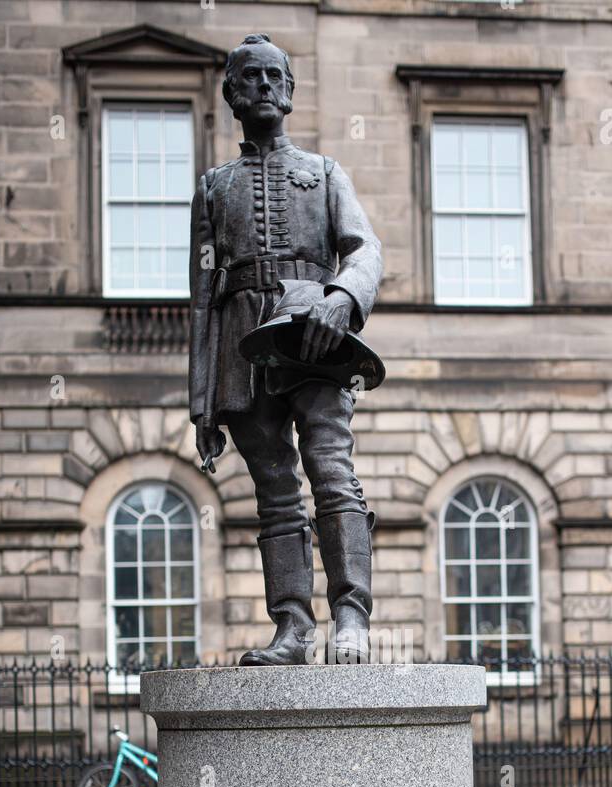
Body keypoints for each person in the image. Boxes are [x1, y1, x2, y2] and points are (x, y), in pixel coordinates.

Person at [189, 33, 383, 664]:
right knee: (273, 490)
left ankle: (351, 617)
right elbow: (200, 295)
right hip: (241, 352)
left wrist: (343, 299)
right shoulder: (214, 187)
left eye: (277, 76)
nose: (266, 85)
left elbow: (364, 250)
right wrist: (203, 403)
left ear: (292, 92)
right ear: (231, 94)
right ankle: (293, 628)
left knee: (332, 472)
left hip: (315, 337)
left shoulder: (325, 173)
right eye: (252, 77)